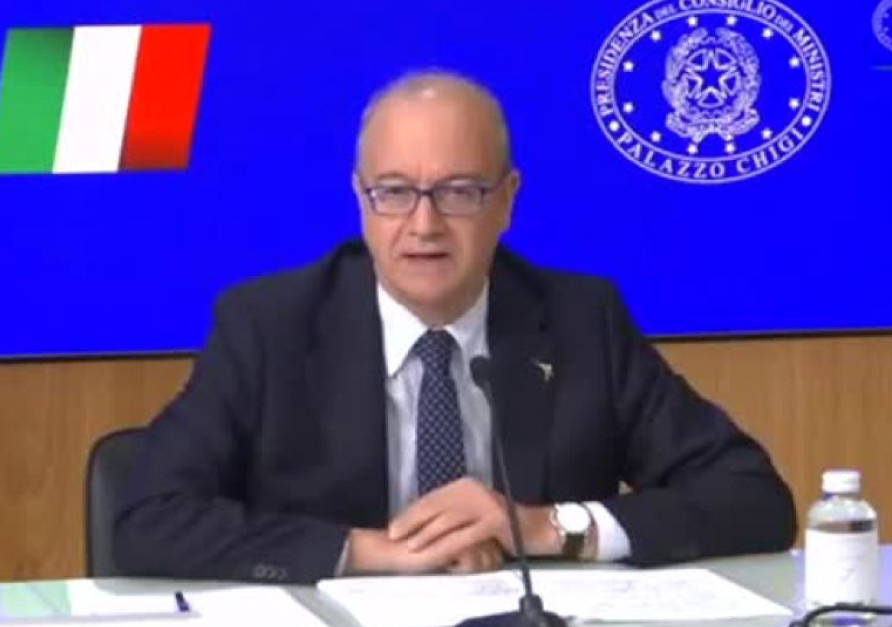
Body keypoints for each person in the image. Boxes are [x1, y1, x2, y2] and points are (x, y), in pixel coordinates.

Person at [114, 70, 796, 584]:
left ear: (508, 201)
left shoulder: (581, 319)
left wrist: (546, 527)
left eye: (459, 192)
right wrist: (367, 550)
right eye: (394, 192)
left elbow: (753, 498)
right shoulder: (271, 325)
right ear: (360, 199)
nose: (424, 225)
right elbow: (147, 517)